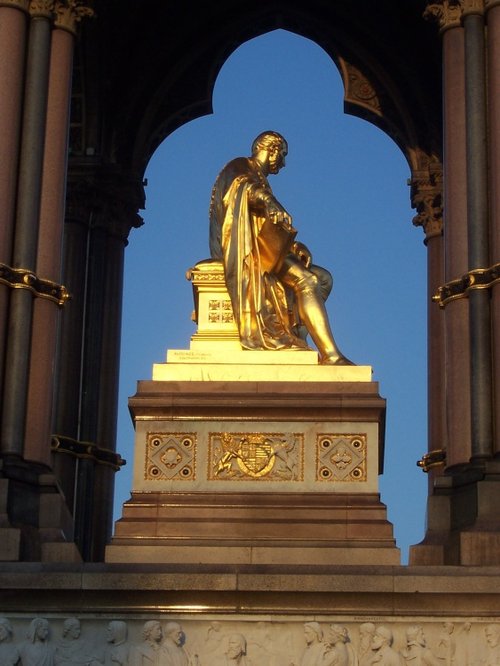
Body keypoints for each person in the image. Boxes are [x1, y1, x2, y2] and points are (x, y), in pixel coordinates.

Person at [209, 130, 351, 365]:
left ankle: (299, 335)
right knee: (308, 280)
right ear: (271, 150)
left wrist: (293, 246)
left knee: (323, 278)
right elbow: (241, 190)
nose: (283, 163)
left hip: (260, 249)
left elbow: (262, 226)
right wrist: (268, 201)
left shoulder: (259, 178)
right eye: (282, 155)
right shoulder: (240, 166)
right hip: (246, 253)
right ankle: (332, 355)